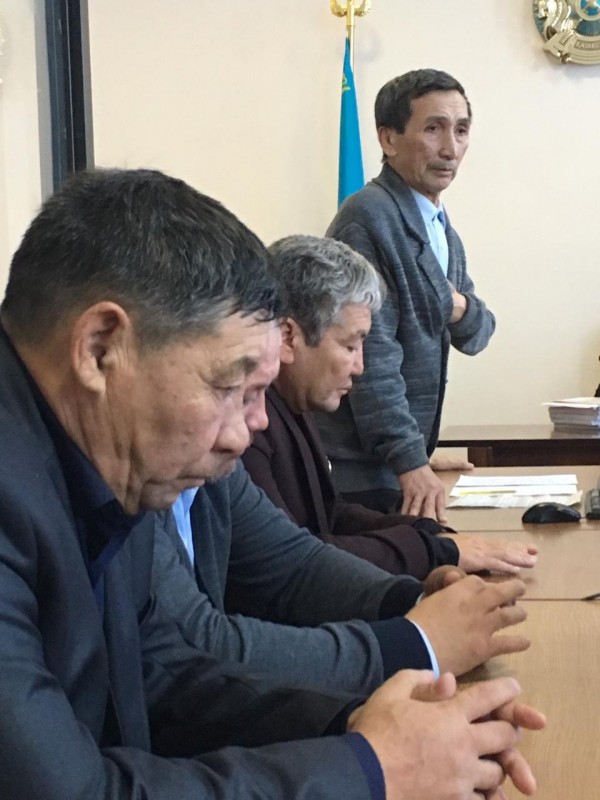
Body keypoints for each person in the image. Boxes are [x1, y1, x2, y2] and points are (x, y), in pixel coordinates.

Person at [0, 167, 544, 799]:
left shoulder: (106, 454)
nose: (248, 430)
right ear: (100, 349)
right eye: (228, 387)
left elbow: (165, 677)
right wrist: (371, 770)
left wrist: (366, 732)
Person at [240, 234, 537, 580]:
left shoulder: (295, 401)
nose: (360, 367)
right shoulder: (248, 423)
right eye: (350, 346)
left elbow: (329, 515)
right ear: (289, 337)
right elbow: (295, 559)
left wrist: (430, 534)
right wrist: (438, 551)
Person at [322, 68, 496, 523]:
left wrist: (457, 306)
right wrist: (409, 459)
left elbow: (478, 332)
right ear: (388, 138)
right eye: (434, 128)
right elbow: (371, 356)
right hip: (364, 475)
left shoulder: (437, 223)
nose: (450, 148)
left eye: (461, 130)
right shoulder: (369, 218)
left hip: (396, 464)